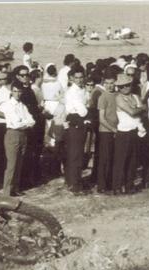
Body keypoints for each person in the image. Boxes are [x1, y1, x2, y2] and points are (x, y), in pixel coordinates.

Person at [0, 81, 35, 197]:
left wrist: (25, 123)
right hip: (13, 134)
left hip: (23, 135)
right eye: (15, 91)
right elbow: (16, 122)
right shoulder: (8, 105)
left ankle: (15, 188)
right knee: (11, 165)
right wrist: (25, 122)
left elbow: (32, 120)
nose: (17, 94)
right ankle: (6, 192)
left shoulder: (22, 105)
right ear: (11, 92)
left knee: (19, 163)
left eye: (19, 91)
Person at [111, 74, 146, 195]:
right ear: (118, 88)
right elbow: (132, 112)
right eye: (122, 86)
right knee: (121, 161)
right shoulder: (119, 98)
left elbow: (140, 112)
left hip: (135, 131)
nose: (125, 88)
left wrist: (139, 109)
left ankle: (129, 186)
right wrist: (140, 108)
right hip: (123, 132)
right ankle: (117, 187)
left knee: (132, 161)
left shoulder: (135, 96)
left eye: (127, 85)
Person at [64, 66, 89, 195]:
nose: (79, 80)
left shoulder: (82, 90)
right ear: (72, 79)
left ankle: (74, 181)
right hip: (75, 123)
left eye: (81, 77)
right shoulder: (73, 92)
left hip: (79, 122)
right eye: (77, 78)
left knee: (78, 154)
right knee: (75, 155)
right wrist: (86, 107)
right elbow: (83, 111)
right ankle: (74, 185)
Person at [96, 71, 118, 193]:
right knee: (105, 159)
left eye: (112, 83)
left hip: (117, 131)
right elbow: (102, 119)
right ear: (104, 84)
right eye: (107, 83)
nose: (110, 85)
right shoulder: (102, 97)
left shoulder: (117, 95)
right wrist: (113, 129)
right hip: (106, 131)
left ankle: (110, 184)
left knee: (113, 158)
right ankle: (102, 186)